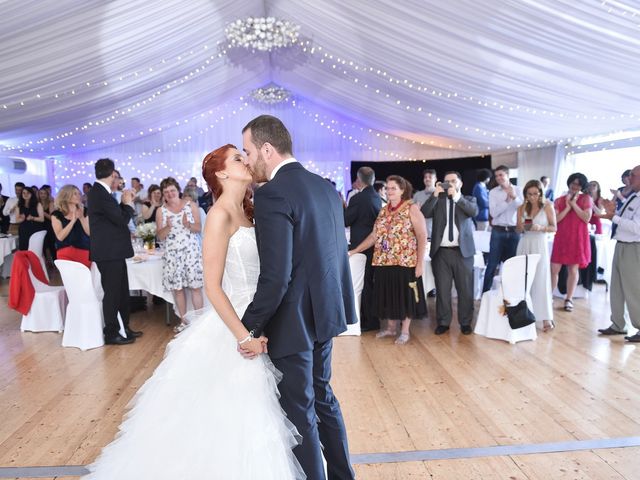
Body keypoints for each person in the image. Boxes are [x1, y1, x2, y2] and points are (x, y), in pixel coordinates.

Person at [81, 145, 304, 480]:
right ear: (222, 174)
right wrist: (245, 336)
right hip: (237, 327)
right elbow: (212, 288)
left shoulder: (251, 210)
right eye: (238, 158)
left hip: (262, 316)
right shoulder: (218, 216)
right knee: (237, 420)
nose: (247, 161)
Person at [240, 115, 356, 480]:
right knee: (323, 399)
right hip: (325, 312)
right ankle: (343, 475)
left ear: (267, 149)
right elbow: (332, 255)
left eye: (248, 151)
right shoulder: (325, 187)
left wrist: (246, 328)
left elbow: (275, 277)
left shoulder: (272, 194)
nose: (247, 159)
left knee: (300, 412)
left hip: (293, 321)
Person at [350, 175, 427, 344]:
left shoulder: (411, 208)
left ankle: (405, 331)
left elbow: (422, 236)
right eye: (388, 188)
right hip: (384, 261)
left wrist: (420, 263)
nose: (389, 191)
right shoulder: (384, 211)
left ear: (402, 190)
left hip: (406, 262)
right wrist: (355, 250)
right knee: (389, 295)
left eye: (393, 188)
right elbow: (374, 236)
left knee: (405, 296)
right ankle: (391, 328)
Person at [88, 158, 142, 345]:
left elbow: (113, 217)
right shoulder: (99, 193)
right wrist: (127, 203)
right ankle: (111, 332)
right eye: (117, 176)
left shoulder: (101, 193)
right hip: (108, 252)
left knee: (121, 291)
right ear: (112, 175)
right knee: (112, 293)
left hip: (114, 251)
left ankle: (124, 327)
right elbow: (120, 219)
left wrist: (124, 204)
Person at [422, 171, 478, 335]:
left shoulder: (468, 199)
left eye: (453, 181)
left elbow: (473, 212)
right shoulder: (438, 199)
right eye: (446, 182)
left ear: (460, 183)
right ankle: (444, 322)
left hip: (463, 253)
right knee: (442, 290)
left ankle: (466, 323)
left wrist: (456, 197)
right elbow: (424, 212)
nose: (450, 184)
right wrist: (434, 194)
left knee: (465, 290)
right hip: (441, 253)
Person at [598, 165, 640, 341]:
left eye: (633, 175)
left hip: (633, 247)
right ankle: (618, 324)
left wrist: (612, 217)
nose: (629, 178)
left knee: (633, 290)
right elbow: (622, 220)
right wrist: (612, 211)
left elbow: (637, 228)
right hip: (621, 245)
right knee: (616, 287)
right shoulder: (633, 197)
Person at [156, 177, 204, 333]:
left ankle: (200, 322)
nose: (170, 194)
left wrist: (187, 224)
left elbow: (198, 228)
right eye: (166, 192)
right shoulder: (161, 211)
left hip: (191, 252)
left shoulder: (191, 206)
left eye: (172, 191)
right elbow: (160, 236)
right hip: (173, 255)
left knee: (195, 287)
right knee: (178, 290)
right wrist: (168, 227)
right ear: (163, 194)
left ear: (178, 190)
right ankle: (184, 321)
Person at [344, 166, 382, 331]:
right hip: (374, 246)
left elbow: (346, 220)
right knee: (370, 283)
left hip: (361, 246)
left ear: (359, 180)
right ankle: (372, 319)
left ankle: (369, 321)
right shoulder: (377, 197)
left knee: (363, 284)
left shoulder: (357, 199)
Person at [516, 180, 557, 331]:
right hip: (525, 243)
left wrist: (541, 227)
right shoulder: (521, 208)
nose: (532, 197)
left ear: (540, 193)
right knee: (523, 280)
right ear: (525, 194)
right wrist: (521, 226)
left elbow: (554, 228)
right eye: (529, 194)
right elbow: (517, 230)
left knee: (541, 279)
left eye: (535, 194)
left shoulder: (547, 207)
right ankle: (523, 315)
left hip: (540, 243)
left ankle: (546, 318)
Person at [550, 173, 592, 313]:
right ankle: (548, 296)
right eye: (573, 183)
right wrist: (568, 207)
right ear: (569, 183)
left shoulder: (586, 199)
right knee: (554, 269)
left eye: (578, 184)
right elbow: (556, 220)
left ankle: (569, 298)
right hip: (562, 236)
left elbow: (586, 218)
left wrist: (574, 204)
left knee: (573, 269)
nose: (575, 186)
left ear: (582, 186)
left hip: (577, 237)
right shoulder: (559, 200)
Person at [482, 165, 523, 292]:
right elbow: (493, 213)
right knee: (492, 264)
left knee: (512, 265)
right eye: (496, 176)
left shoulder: (519, 189)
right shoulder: (493, 192)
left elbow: (522, 208)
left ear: (507, 175)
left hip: (514, 231)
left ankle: (510, 294)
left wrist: (514, 198)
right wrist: (507, 201)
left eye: (501, 175)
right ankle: (486, 293)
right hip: (498, 231)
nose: (499, 178)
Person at [51, 185, 91, 268]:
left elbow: (89, 233)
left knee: (85, 279)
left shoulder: (85, 211)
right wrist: (73, 221)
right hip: (65, 252)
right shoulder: (57, 214)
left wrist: (81, 218)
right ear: (66, 196)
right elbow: (60, 237)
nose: (79, 196)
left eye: (79, 193)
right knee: (70, 279)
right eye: (75, 194)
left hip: (84, 250)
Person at [412, 168, 437, 236]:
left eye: (430, 177)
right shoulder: (417, 195)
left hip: (436, 232)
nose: (427, 179)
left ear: (435, 179)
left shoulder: (441, 195)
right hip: (420, 231)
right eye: (425, 177)